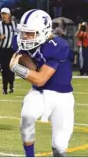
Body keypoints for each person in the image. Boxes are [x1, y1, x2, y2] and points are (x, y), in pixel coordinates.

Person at [9, 9, 75, 157]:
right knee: (27, 116)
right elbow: (33, 69)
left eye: (29, 33)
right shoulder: (20, 42)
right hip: (39, 93)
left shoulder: (57, 45)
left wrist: (16, 68)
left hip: (62, 97)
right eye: (23, 32)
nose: (24, 37)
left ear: (43, 31)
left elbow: (40, 79)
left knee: (59, 147)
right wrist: (24, 60)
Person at [0, 7, 17, 94]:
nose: (3, 15)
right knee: (4, 69)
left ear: (9, 15)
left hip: (12, 50)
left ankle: (11, 85)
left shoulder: (14, 25)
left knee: (12, 68)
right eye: (2, 14)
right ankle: (5, 88)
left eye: (5, 14)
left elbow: (19, 36)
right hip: (2, 49)